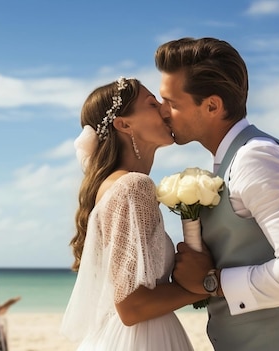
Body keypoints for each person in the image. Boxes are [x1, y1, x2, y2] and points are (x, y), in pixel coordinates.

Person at [155, 37, 279, 350]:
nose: (162, 111)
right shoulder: (228, 161)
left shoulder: (257, 158)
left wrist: (214, 281)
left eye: (172, 102)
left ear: (212, 105)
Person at [60, 77, 208, 350]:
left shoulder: (114, 186)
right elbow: (131, 306)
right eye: (152, 103)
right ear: (124, 124)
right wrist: (205, 286)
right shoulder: (132, 186)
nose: (165, 109)